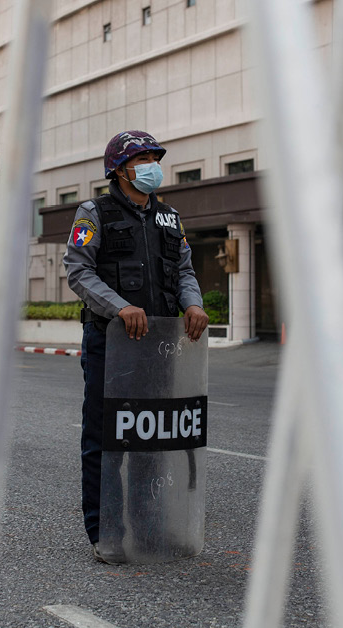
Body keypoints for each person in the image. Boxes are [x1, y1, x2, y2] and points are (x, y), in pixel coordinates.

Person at [64, 130, 210, 562]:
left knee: (152, 439)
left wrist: (194, 304)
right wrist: (120, 306)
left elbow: (183, 270)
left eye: (153, 156)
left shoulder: (170, 218)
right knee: (106, 439)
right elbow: (79, 272)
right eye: (142, 158)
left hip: (158, 347)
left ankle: (146, 532)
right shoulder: (94, 213)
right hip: (110, 343)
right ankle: (104, 533)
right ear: (120, 169)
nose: (151, 165)